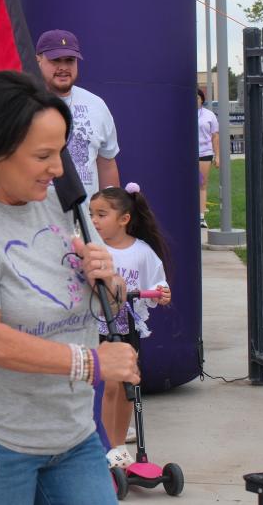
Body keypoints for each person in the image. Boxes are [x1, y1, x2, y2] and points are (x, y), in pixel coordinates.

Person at [0, 70, 138, 503]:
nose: (58, 169)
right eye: (43, 155)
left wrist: (110, 281)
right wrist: (92, 364)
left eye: (60, 152)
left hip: (72, 431)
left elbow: (108, 306)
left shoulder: (65, 208)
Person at [89, 183, 172, 467]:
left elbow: (157, 282)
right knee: (108, 385)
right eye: (92, 215)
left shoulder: (142, 251)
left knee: (127, 385)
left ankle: (117, 446)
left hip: (128, 328)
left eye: (102, 214)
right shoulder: (93, 250)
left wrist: (161, 292)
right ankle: (103, 445)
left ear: (124, 219)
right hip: (99, 326)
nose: (95, 221)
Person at [36, 29, 120, 197]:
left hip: (84, 219)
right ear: (38, 60)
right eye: (55, 60)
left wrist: (110, 212)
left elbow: (107, 163)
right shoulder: (24, 102)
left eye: (70, 60)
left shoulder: (96, 105)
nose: (63, 67)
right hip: (36, 219)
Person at [197, 88, 219, 228]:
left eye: (197, 97)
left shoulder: (209, 115)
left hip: (205, 153)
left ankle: (201, 217)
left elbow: (215, 136)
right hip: (187, 154)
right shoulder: (183, 113)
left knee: (202, 183)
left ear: (202, 99)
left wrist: (218, 156)